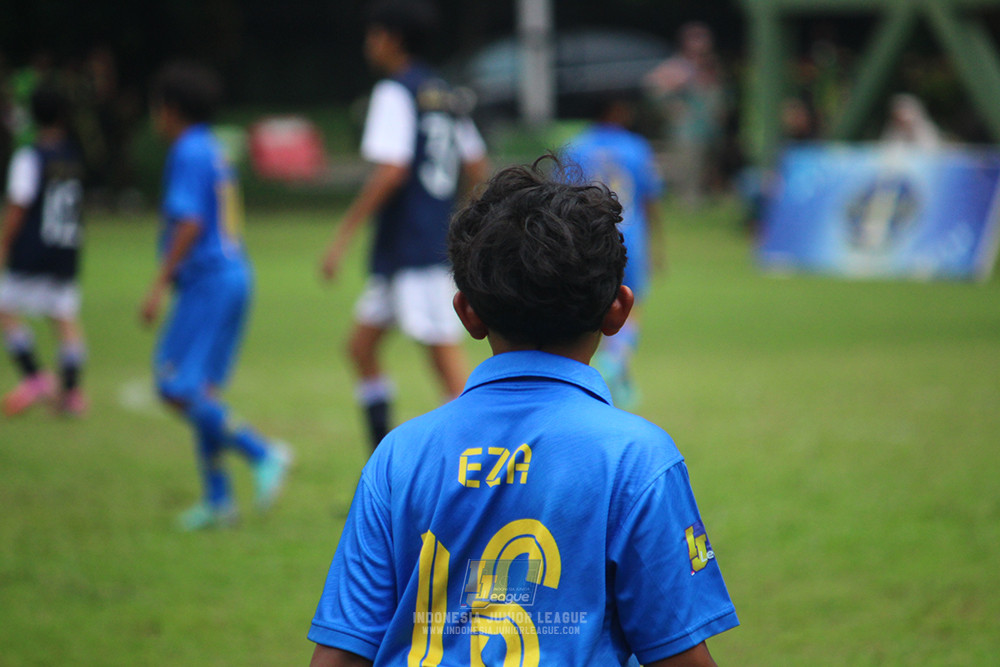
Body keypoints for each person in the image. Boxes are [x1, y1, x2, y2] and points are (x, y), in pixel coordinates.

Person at [308, 158, 738, 666]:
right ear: (618, 310)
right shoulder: (636, 458)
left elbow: (338, 656)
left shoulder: (398, 456)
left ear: (466, 312)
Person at [319, 0, 489, 452]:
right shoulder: (444, 92)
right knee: (360, 347)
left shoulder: (394, 92)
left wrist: (342, 236)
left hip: (416, 249)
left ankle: (488, 462)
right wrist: (457, 213)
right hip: (409, 247)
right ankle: (379, 464)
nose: (368, 43)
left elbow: (391, 170)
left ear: (392, 38)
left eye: (373, 34)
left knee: (445, 359)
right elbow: (476, 163)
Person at [140, 61, 289, 531]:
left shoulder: (187, 150)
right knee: (201, 389)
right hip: (233, 273)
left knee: (173, 383)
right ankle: (219, 501)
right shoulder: (214, 147)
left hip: (209, 280)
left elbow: (190, 221)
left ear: (170, 110)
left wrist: (159, 281)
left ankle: (263, 453)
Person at [563, 94, 664, 408]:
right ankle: (614, 362)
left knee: (594, 303)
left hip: (589, 236)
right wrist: (657, 244)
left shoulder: (576, 146)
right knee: (631, 307)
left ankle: (608, 371)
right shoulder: (636, 147)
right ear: (616, 111)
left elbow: (563, 196)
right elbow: (650, 198)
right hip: (630, 237)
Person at [0, 84, 87, 416]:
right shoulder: (72, 156)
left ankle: (35, 377)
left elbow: (18, 205)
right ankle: (72, 392)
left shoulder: (30, 156)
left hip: (34, 247)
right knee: (64, 317)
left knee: (5, 306)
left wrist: (4, 245)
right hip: (67, 246)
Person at [644, 22, 727, 209]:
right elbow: (652, 87)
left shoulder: (711, 64)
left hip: (709, 129)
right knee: (688, 168)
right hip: (686, 130)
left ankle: (701, 203)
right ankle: (688, 205)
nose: (702, 44)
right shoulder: (678, 65)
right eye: (697, 39)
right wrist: (671, 107)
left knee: (707, 169)